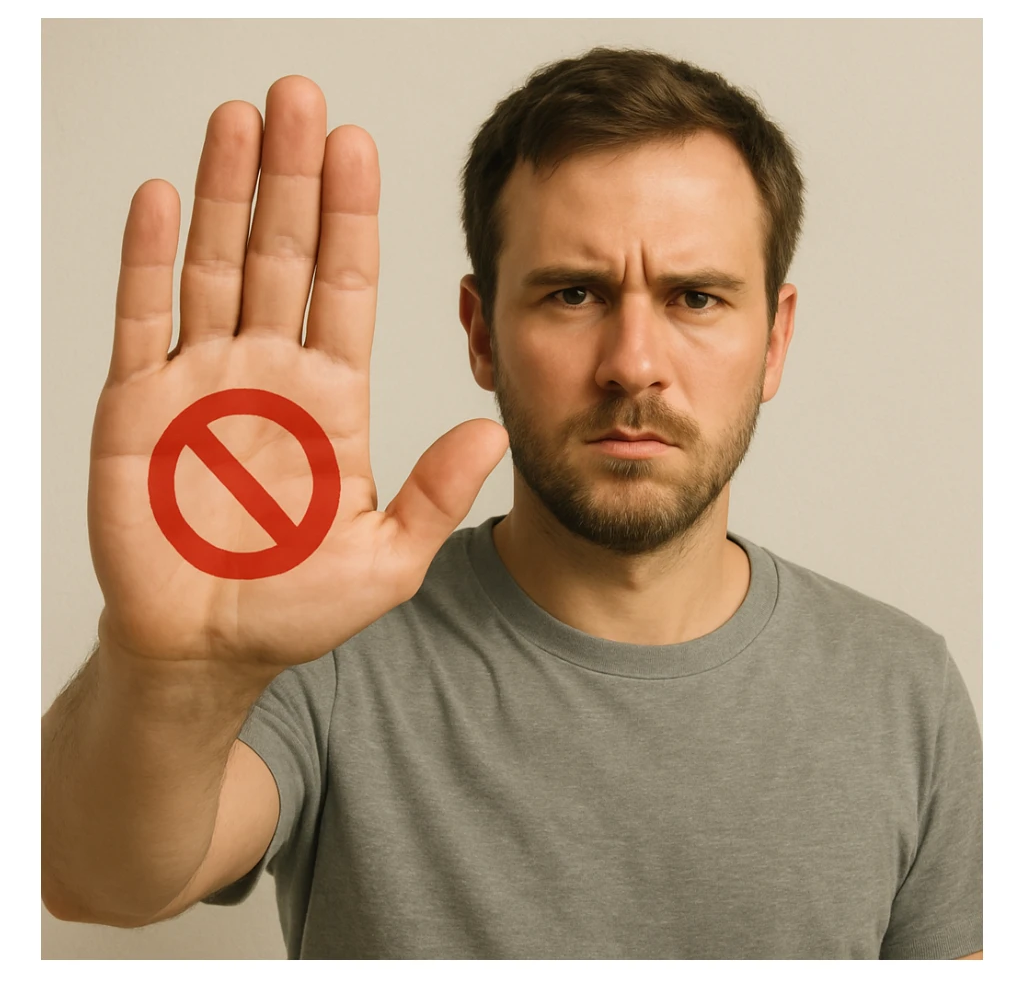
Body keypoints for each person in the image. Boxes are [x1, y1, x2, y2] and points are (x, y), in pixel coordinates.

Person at [41, 47, 983, 960]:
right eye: (574, 294)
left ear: (774, 342)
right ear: (481, 332)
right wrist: (164, 668)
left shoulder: (905, 693)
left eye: (696, 298)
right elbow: (94, 879)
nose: (634, 363)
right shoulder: (327, 639)